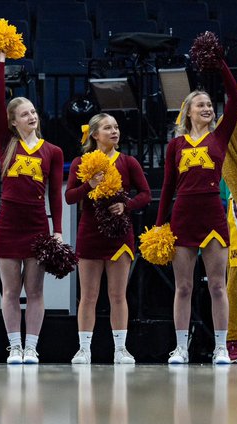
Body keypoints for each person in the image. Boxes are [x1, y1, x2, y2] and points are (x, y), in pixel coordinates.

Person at [156, 58, 237, 365]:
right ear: (187, 112)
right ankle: (180, 347)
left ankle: (221, 347)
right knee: (184, 286)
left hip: (212, 213)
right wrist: (159, 225)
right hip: (183, 216)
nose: (207, 109)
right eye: (200, 105)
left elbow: (236, 99)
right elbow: (166, 187)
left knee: (218, 284)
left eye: (209, 105)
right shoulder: (175, 145)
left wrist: (220, 65)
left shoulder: (220, 136)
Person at [0, 50, 64, 365]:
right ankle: (14, 346)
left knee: (34, 291)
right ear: (13, 121)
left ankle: (31, 346)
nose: (32, 117)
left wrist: (58, 230)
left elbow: (55, 196)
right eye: (24, 114)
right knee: (10, 291)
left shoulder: (53, 151)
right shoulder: (6, 145)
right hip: (8, 224)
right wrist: (1, 63)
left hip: (37, 225)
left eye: (34, 112)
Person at [65, 113, 150, 365]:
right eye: (107, 128)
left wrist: (127, 205)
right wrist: (88, 185)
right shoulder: (82, 161)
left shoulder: (128, 162)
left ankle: (121, 349)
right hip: (90, 234)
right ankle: (84, 349)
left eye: (116, 127)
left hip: (120, 236)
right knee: (88, 296)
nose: (114, 131)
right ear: (94, 134)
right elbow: (70, 197)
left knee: (117, 295)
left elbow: (145, 194)